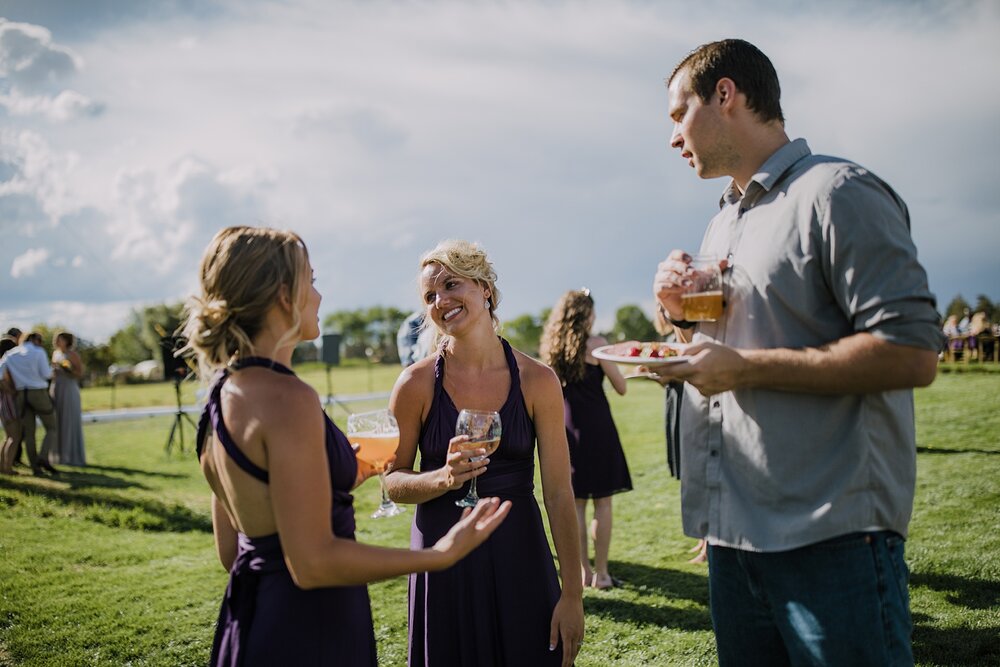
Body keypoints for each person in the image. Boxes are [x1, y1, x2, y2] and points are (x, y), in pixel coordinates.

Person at [651, 39, 943, 665]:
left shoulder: (838, 192)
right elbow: (720, 349)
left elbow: (914, 352)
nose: (674, 137)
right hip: (731, 540)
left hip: (829, 538)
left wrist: (746, 369)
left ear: (725, 95)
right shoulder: (723, 218)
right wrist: (678, 320)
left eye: (679, 115)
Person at [181, 226, 510, 666]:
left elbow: (233, 551)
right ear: (283, 296)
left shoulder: (220, 398)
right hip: (310, 628)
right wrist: (438, 555)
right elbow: (313, 563)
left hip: (251, 619)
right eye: (311, 281)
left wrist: (352, 469)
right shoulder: (289, 399)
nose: (318, 296)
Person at [385, 239, 584, 667]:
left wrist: (572, 593)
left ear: (485, 288)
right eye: (430, 296)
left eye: (451, 284)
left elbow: (559, 494)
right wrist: (443, 477)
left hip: (520, 557)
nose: (441, 301)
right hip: (442, 559)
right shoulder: (414, 385)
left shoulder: (538, 380)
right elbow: (392, 484)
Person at [539, 288, 631, 590]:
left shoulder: (552, 348)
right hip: (599, 429)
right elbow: (621, 387)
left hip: (567, 431)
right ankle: (602, 574)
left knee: (576, 504)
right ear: (587, 314)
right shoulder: (598, 345)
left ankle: (583, 572)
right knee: (602, 503)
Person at [0, 331, 60, 477]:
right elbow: (46, 374)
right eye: (40, 339)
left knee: (29, 433)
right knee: (52, 427)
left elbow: (0, 375)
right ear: (33, 339)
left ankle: (35, 468)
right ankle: (43, 457)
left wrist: (11, 390)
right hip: (38, 392)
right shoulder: (38, 351)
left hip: (20, 395)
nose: (40, 342)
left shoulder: (10, 354)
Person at [51, 331, 86, 466]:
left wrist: (67, 370)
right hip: (57, 388)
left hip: (69, 389)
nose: (57, 341)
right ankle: (59, 455)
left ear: (67, 341)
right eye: (56, 339)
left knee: (69, 420)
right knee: (57, 421)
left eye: (59, 339)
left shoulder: (73, 355)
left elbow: (79, 373)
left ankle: (71, 456)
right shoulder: (55, 354)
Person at [0, 331, 21, 474]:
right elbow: (2, 381)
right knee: (14, 436)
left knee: (8, 437)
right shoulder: (5, 363)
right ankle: (7, 468)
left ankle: (3, 466)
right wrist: (12, 391)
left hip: (2, 403)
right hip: (7, 402)